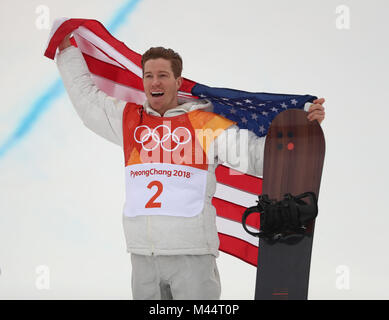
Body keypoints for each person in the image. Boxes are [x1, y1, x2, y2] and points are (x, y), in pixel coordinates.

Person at [56, 33, 325, 300]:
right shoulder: (130, 121)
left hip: (191, 255)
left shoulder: (203, 123)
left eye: (162, 75)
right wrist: (67, 52)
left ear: (178, 81)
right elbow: (87, 100)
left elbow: (255, 155)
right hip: (142, 256)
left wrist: (301, 130)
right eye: (148, 75)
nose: (155, 81)